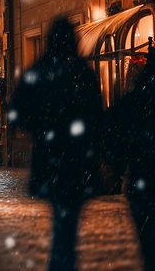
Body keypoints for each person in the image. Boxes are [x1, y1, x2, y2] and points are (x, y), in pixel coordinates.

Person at [9, 17, 103, 271]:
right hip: (77, 157)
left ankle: (61, 261)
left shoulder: (39, 71)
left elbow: (16, 112)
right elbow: (97, 115)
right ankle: (64, 261)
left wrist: (41, 129)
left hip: (50, 156)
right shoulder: (81, 71)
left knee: (62, 217)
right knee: (68, 218)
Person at [108, 40, 155, 270]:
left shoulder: (133, 101)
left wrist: (115, 168)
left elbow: (111, 133)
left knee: (147, 238)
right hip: (142, 178)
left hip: (141, 179)